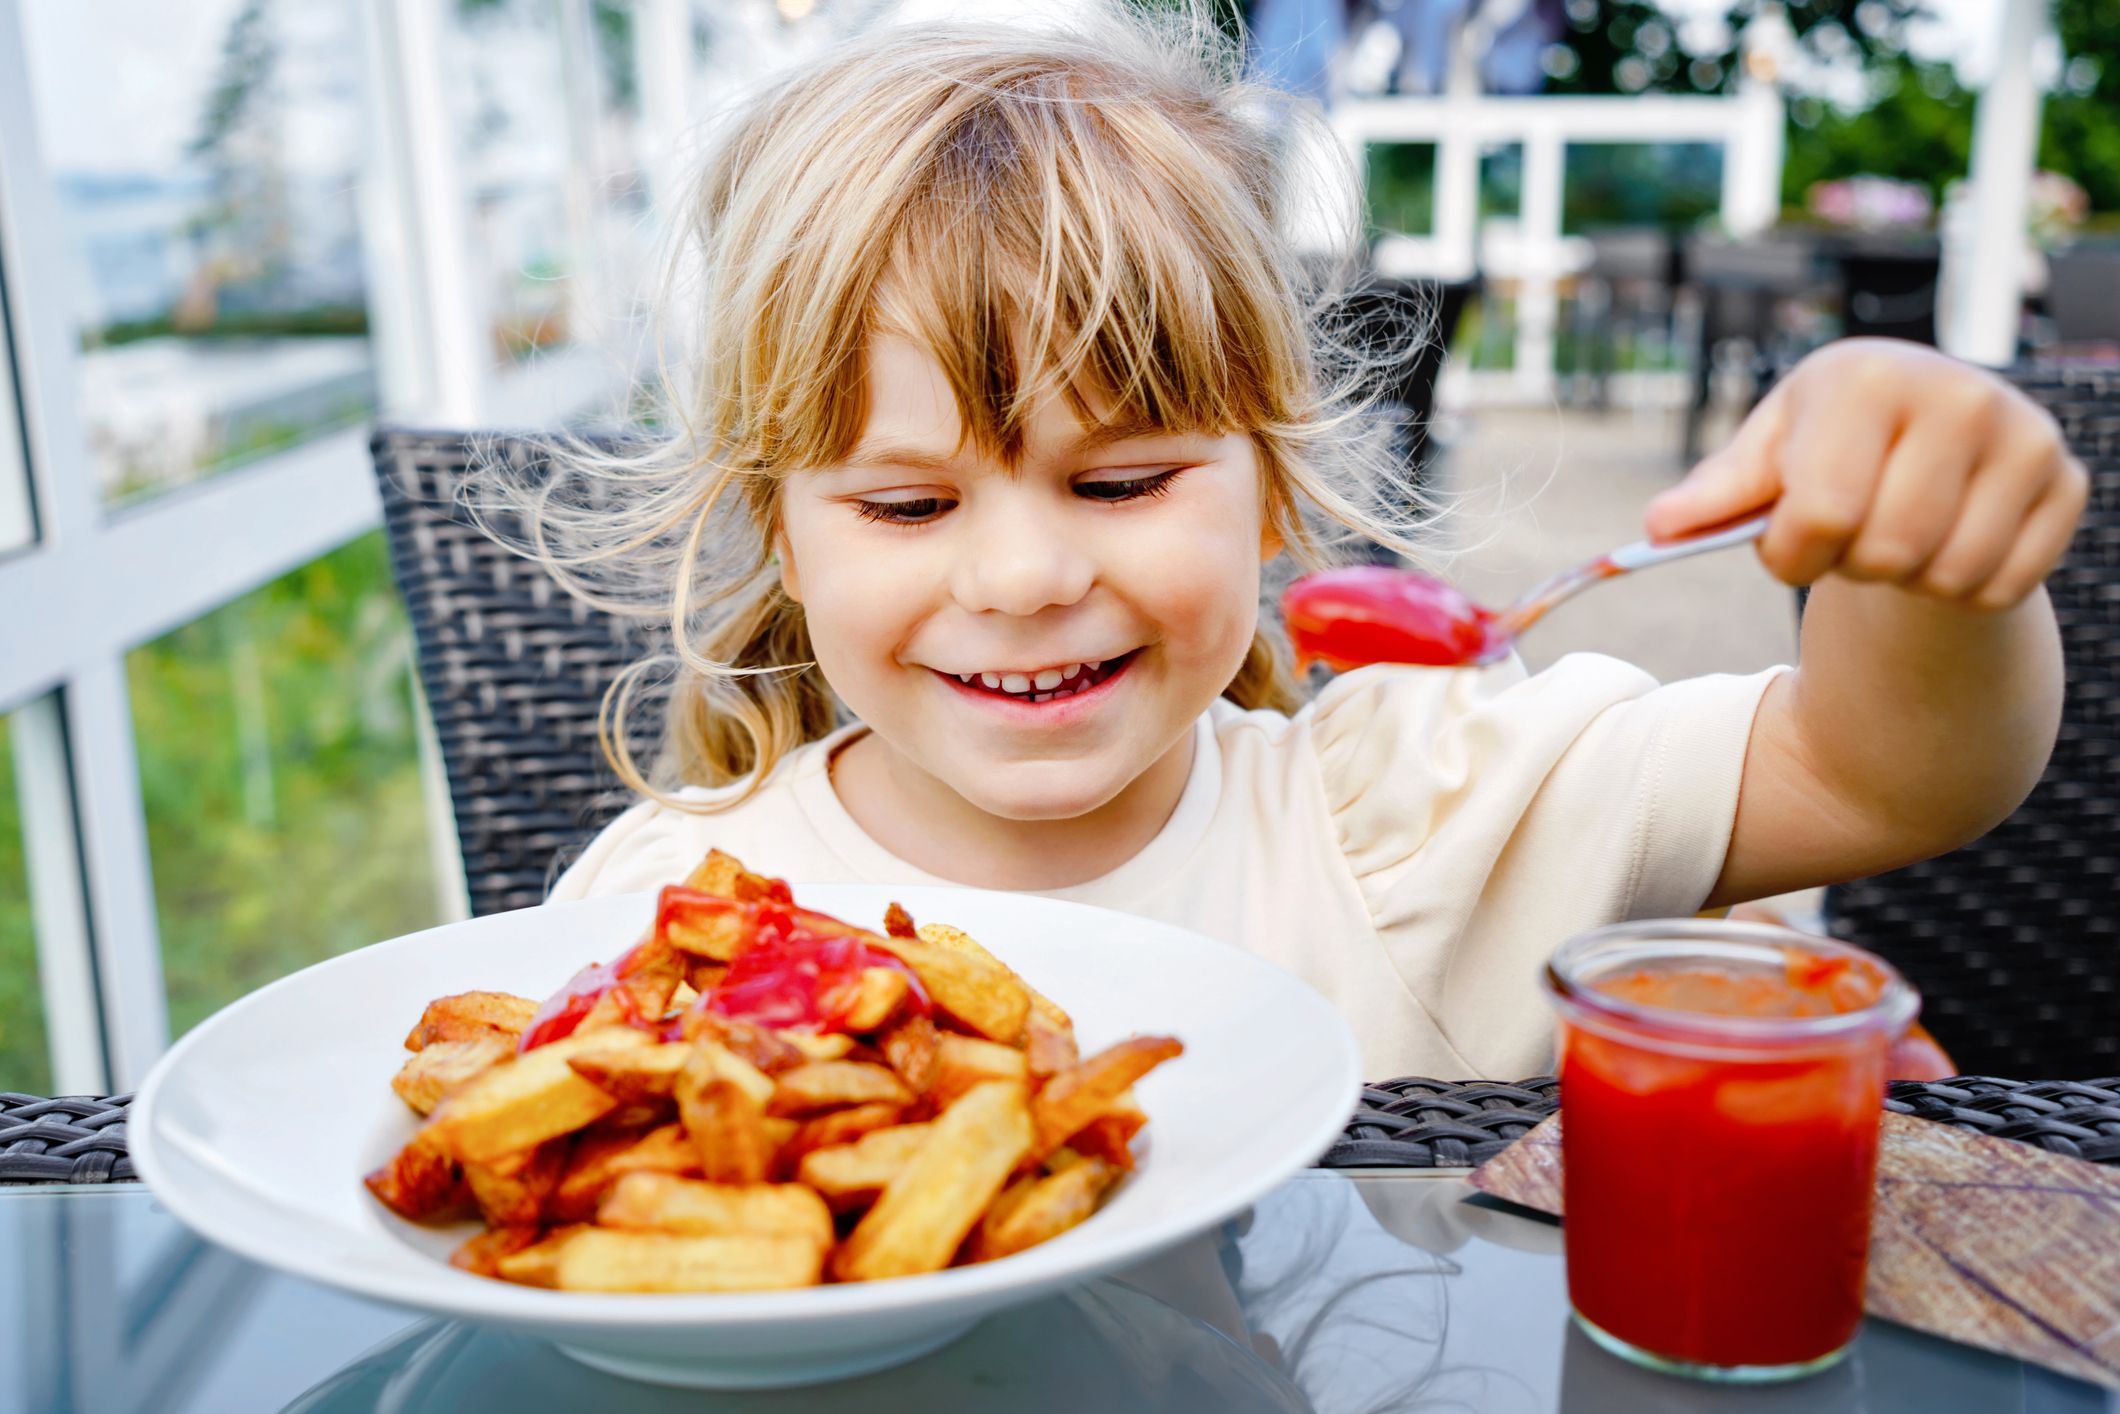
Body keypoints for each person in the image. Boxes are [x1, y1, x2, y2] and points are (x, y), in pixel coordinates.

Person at [515, 8, 2086, 1081]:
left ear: (1272, 490)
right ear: (779, 538)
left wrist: (1926, 557)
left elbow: (1886, 774)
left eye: (1121, 481)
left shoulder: (1409, 812)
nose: (1020, 578)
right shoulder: (672, 913)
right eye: (910, 505)